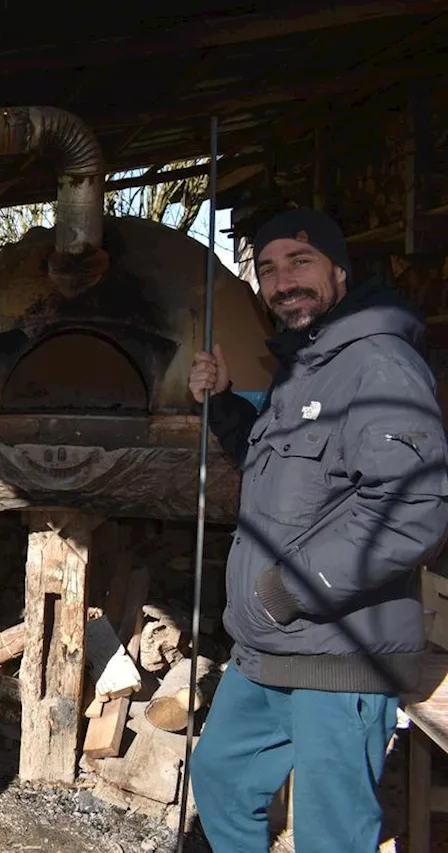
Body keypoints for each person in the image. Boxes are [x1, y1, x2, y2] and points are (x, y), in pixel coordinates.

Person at [187, 209, 448, 852]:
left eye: (299, 263)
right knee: (220, 776)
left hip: (339, 653)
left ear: (338, 269)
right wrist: (221, 402)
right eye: (269, 270)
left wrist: (287, 589)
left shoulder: (378, 362)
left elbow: (412, 506)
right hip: (268, 647)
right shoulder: (304, 366)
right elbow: (277, 469)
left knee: (331, 836)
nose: (282, 282)